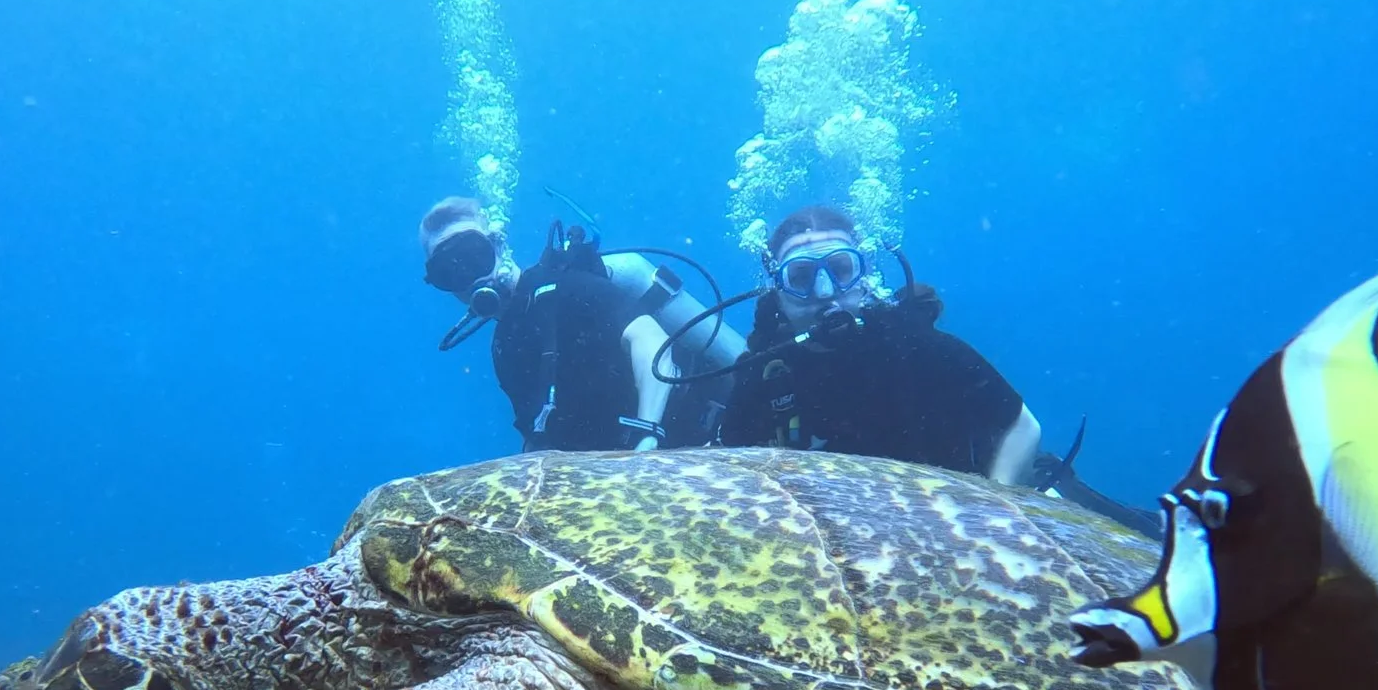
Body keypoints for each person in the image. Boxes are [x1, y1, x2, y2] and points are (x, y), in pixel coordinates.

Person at [718, 204, 1044, 483]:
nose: (824, 291)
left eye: (840, 270)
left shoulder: (918, 347)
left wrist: (994, 507)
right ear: (778, 292)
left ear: (865, 276)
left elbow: (1022, 425)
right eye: (801, 277)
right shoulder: (763, 377)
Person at [419, 196, 747, 452]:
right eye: (450, 273)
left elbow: (649, 338)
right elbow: (537, 432)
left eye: (475, 257)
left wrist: (647, 435)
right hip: (620, 465)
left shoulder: (562, 288)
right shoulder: (504, 345)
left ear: (499, 245)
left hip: (688, 440)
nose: (470, 278)